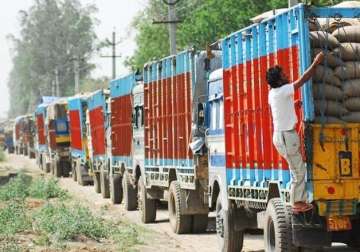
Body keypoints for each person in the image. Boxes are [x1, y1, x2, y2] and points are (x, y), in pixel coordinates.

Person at [266, 52, 324, 213]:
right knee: (299, 171)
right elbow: (304, 79)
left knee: (295, 169)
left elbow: (282, 108)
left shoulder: (272, 93)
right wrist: (315, 62)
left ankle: (297, 200)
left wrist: (294, 105)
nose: (286, 76)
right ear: (278, 81)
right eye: (283, 75)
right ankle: (297, 202)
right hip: (287, 136)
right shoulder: (283, 90)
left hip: (280, 136)